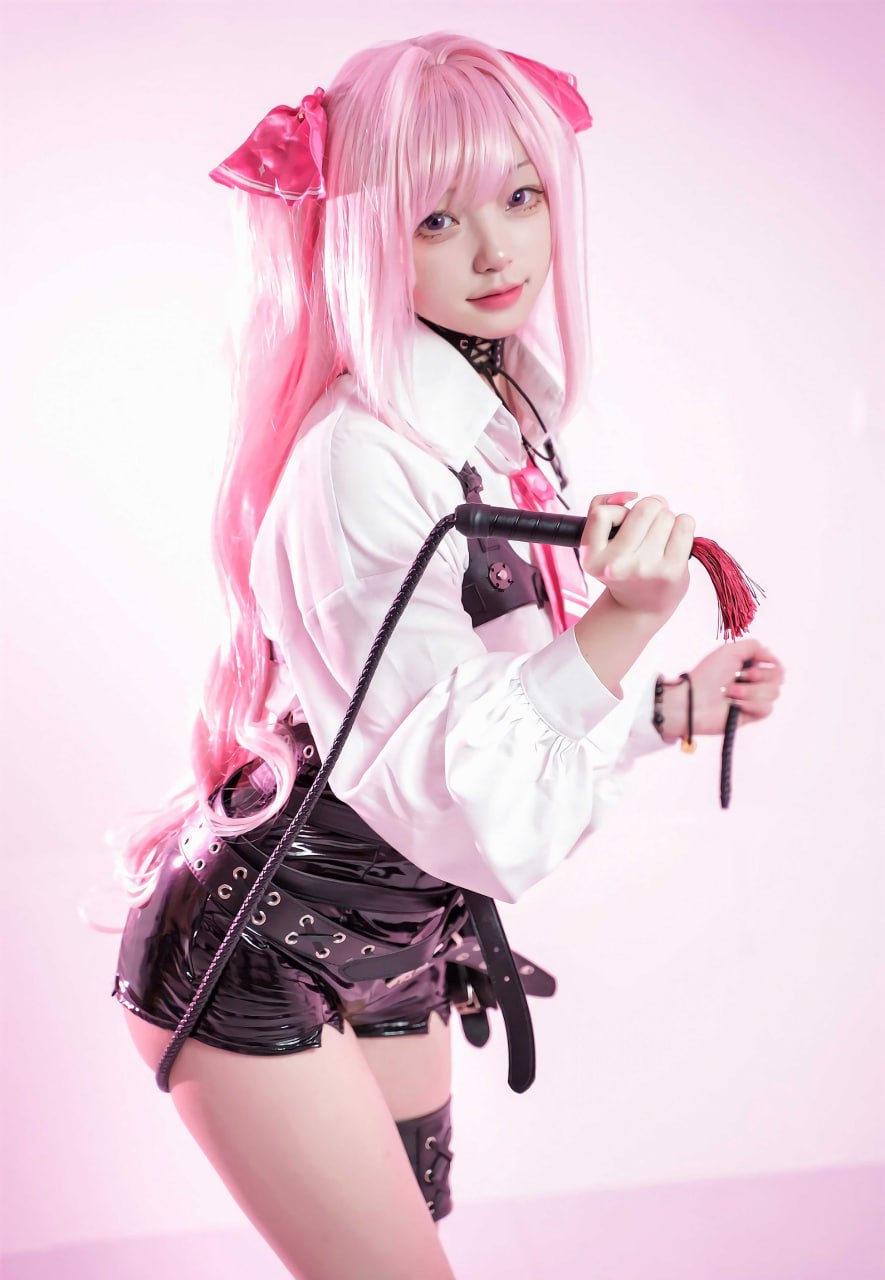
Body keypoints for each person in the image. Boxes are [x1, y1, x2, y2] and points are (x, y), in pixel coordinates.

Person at [109, 31, 785, 1280]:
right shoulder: (357, 458)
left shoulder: (490, 417)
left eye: (520, 197)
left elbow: (486, 703)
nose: (496, 251)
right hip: (257, 949)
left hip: (408, 945)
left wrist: (667, 707)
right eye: (436, 219)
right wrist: (623, 620)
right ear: (364, 234)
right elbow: (462, 804)